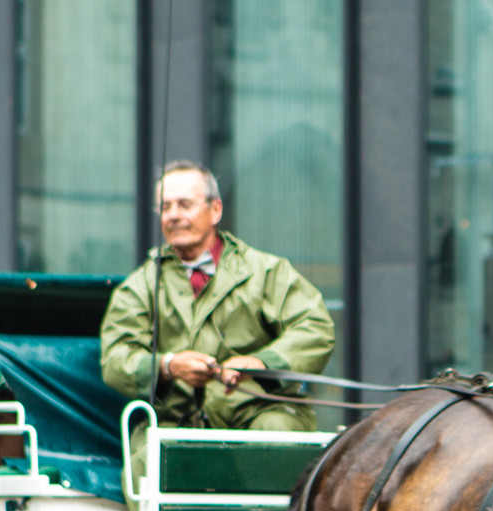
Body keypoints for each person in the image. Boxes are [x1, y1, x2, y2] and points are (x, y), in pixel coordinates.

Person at [100, 161, 335, 437]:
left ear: (215, 210)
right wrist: (168, 365)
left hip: (257, 413)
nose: (173, 216)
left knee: (278, 433)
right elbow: (116, 357)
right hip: (175, 423)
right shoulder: (140, 286)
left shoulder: (265, 272)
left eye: (185, 204)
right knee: (148, 455)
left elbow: (315, 327)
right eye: (165, 207)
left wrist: (261, 363)